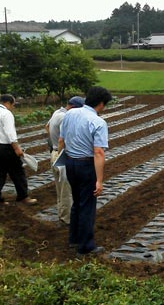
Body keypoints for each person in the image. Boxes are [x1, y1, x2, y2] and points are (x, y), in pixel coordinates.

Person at [59, 86, 112, 256]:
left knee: (77, 203)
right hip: (86, 165)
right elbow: (98, 152)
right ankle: (86, 246)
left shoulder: (70, 114)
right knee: (87, 206)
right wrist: (99, 180)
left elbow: (62, 139)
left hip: (70, 162)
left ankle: (74, 239)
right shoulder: (98, 122)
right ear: (101, 103)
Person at [0, 94, 38, 206]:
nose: (13, 107)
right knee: (18, 172)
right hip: (7, 148)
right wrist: (17, 148)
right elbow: (10, 133)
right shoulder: (6, 114)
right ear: (8, 103)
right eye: (13, 105)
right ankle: (23, 197)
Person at [45, 96, 84, 225]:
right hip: (62, 155)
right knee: (66, 190)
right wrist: (63, 155)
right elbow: (63, 139)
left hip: (54, 152)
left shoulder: (57, 112)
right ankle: (67, 219)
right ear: (73, 107)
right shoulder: (66, 117)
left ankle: (61, 214)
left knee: (60, 188)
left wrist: (52, 147)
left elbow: (47, 127)